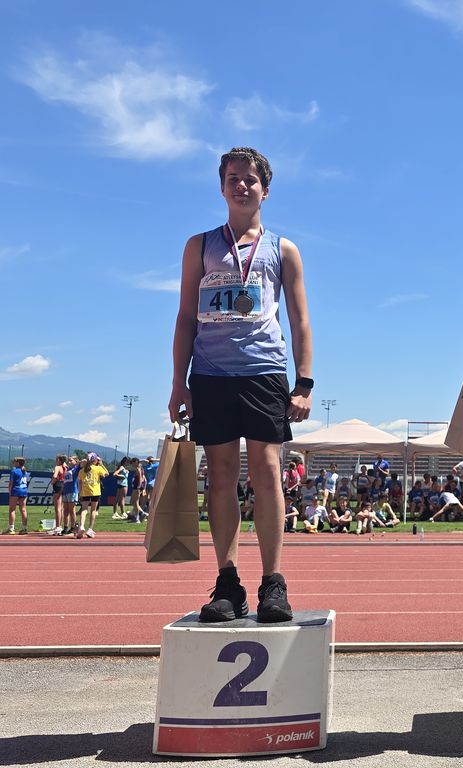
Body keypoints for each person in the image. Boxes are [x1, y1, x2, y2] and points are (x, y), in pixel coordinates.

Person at [168, 146, 313, 623]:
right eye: (233, 178)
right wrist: (178, 383)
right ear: (222, 186)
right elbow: (186, 317)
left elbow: (300, 320)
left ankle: (274, 582)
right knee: (222, 475)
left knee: (267, 472)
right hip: (210, 373)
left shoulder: (283, 249)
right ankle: (228, 582)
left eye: (250, 179)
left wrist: (304, 382)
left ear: (265, 190)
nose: (241, 185)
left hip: (264, 371)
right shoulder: (199, 245)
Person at [76, 453, 108, 538]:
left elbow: (80, 482)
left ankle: (82, 526)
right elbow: (107, 474)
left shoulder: (82, 470)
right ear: (95, 460)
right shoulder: (98, 468)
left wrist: (80, 493)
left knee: (84, 510)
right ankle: (90, 529)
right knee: (93, 510)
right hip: (95, 492)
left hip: (85, 492)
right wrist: (101, 464)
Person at [7, 457, 29, 534]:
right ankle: (24, 528)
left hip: (16, 490)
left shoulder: (14, 471)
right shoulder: (24, 471)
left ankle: (11, 529)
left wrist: (9, 491)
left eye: (14, 461)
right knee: (23, 509)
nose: (13, 462)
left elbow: (11, 483)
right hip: (24, 490)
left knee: (12, 509)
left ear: (18, 463)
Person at [49, 454, 67, 534]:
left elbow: (55, 476)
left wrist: (52, 482)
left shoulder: (57, 467)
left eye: (56, 459)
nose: (55, 461)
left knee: (57, 508)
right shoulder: (65, 467)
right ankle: (60, 526)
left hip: (58, 485)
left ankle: (57, 527)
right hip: (64, 485)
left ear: (59, 460)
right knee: (62, 508)